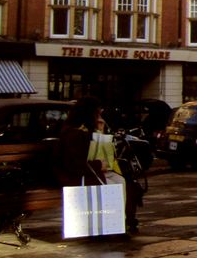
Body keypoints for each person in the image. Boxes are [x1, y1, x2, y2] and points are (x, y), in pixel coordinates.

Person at [55, 96, 140, 234]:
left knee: (121, 180)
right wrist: (97, 165)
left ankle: (119, 221)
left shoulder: (86, 130)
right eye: (98, 113)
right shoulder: (73, 133)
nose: (99, 116)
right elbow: (74, 163)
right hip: (75, 173)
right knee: (110, 184)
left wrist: (100, 131)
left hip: (88, 169)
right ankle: (110, 225)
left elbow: (100, 152)